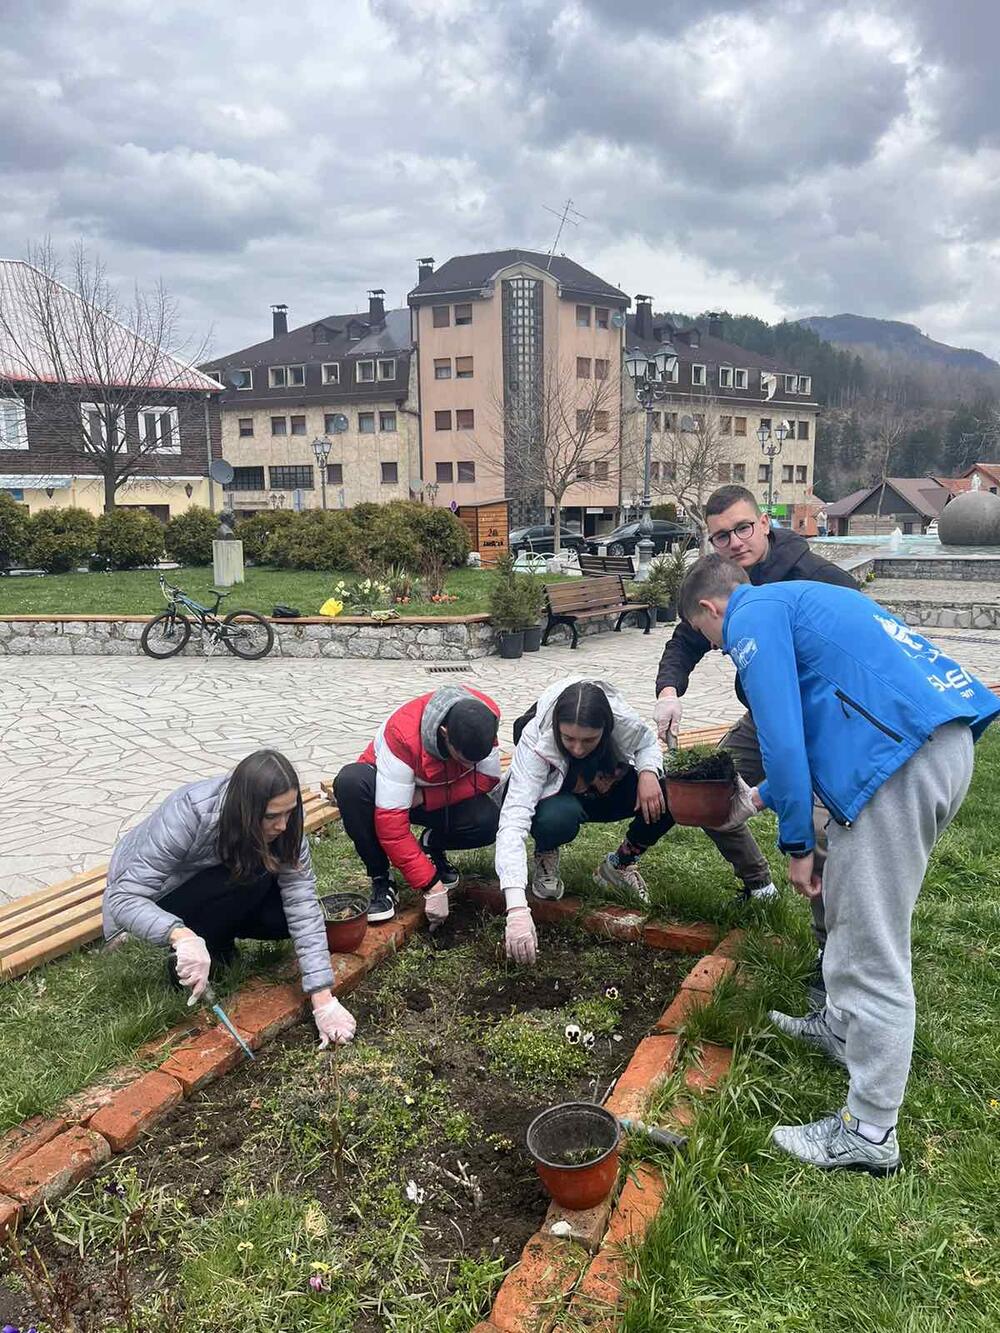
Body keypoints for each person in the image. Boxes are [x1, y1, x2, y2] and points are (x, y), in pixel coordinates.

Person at [679, 554, 999, 1174]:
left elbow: (779, 734)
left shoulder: (750, 618)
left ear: (711, 610)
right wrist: (763, 798)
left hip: (898, 764)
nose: (720, 650)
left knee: (867, 945)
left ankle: (870, 1131)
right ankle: (841, 1028)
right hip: (923, 747)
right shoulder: (801, 600)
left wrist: (797, 847)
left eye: (710, 640)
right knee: (857, 926)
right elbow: (826, 721)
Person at [654, 485, 858, 994]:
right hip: (762, 716)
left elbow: (857, 635)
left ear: (764, 522)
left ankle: (828, 955)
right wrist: (668, 691)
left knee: (817, 833)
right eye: (721, 535)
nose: (735, 541)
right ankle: (758, 884)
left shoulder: (815, 577)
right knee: (711, 792)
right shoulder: (720, 584)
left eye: (743, 528)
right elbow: (685, 637)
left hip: (823, 722)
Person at [104, 749, 355, 1048]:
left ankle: (215, 939)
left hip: (223, 886)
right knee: (248, 871)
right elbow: (124, 897)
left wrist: (323, 998)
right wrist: (181, 936)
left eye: (290, 811)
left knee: (284, 917)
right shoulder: (191, 812)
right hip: (161, 896)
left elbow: (301, 903)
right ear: (245, 810)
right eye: (272, 816)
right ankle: (199, 945)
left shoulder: (285, 827)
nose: (283, 825)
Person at [495, 677, 742, 965]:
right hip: (563, 801)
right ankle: (547, 852)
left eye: (588, 740)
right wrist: (516, 910)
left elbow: (646, 742)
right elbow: (513, 820)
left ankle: (619, 863)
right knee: (555, 819)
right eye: (569, 739)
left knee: (669, 793)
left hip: (610, 790)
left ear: (606, 727)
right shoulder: (536, 740)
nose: (577, 749)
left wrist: (649, 772)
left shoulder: (620, 718)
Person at [333, 685, 502, 924]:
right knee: (351, 784)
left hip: (428, 795)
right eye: (464, 759)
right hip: (386, 788)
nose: (470, 765)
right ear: (445, 733)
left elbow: (486, 778)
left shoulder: (485, 717)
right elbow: (392, 828)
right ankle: (382, 878)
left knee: (488, 820)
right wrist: (431, 886)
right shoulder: (403, 737)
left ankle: (431, 845)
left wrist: (426, 797)